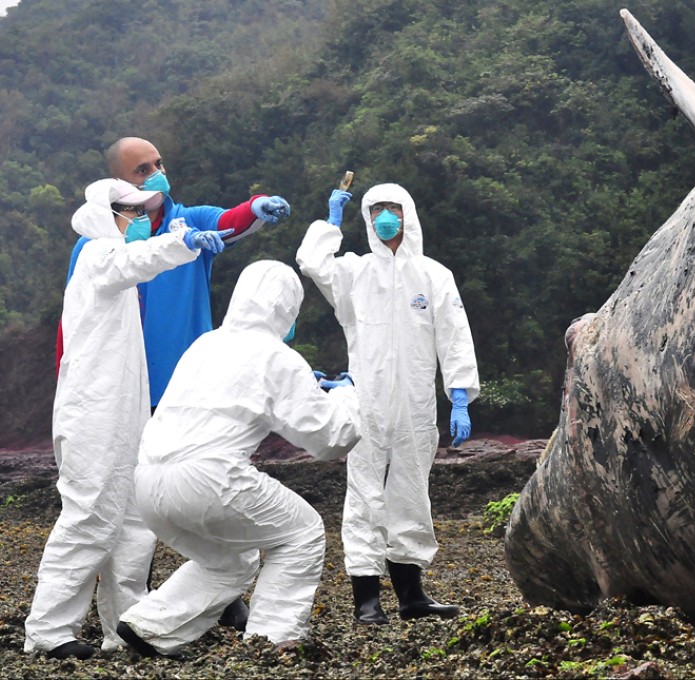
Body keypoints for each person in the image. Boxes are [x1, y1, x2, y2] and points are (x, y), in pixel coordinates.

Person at [56, 136, 290, 629]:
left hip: (192, 388)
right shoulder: (105, 249)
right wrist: (70, 385)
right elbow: (71, 327)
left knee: (201, 487)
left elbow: (230, 220)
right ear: (118, 186)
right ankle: (120, 613)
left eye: (159, 163)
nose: (157, 175)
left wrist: (257, 207)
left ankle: (219, 592)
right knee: (131, 507)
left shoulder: (190, 221)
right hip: (127, 391)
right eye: (143, 170)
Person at [24, 179, 233, 660]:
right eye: (130, 211)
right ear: (105, 213)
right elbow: (135, 260)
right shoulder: (98, 254)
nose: (139, 219)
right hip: (93, 413)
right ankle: (49, 631)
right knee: (89, 515)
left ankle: (126, 627)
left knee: (134, 520)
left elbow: (139, 264)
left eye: (143, 212)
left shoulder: (120, 280)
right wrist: (180, 242)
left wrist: (176, 239)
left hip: (125, 409)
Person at [115, 260, 362, 658]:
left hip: (147, 483)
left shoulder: (205, 344)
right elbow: (331, 439)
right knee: (302, 533)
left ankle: (149, 624)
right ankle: (272, 638)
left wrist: (306, 389)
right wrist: (347, 394)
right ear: (286, 310)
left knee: (231, 561)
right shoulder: (277, 357)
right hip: (208, 480)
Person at [296, 182, 479, 625]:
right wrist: (330, 223)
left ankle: (412, 595)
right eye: (376, 209)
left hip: (416, 405)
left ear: (408, 213)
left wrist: (459, 395)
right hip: (367, 402)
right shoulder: (354, 273)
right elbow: (311, 262)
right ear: (366, 216)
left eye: (392, 208)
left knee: (412, 495)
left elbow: (454, 334)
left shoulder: (433, 275)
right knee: (364, 496)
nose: (385, 216)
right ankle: (366, 600)